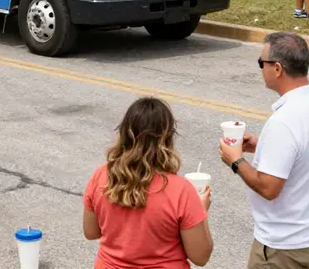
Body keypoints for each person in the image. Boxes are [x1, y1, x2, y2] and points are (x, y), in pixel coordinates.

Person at [83, 97, 213, 268]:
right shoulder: (181, 190)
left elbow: (91, 232)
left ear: (124, 133)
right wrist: (201, 211)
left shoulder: (100, 176)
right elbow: (200, 256)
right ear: (167, 138)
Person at [219, 32, 309, 268]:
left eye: (262, 63)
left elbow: (269, 188)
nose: (261, 68)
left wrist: (236, 161)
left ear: (277, 68)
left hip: (283, 248)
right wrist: (262, 145)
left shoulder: (284, 121)